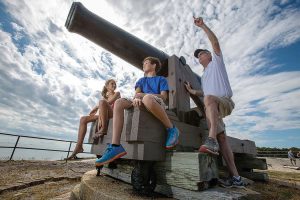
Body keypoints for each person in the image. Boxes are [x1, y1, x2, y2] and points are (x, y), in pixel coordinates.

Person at [184, 16, 243, 188]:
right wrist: (192, 91)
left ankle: (210, 140)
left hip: (223, 101)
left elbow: (215, 41)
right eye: (198, 56)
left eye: (201, 53)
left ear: (209, 55)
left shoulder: (216, 63)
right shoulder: (204, 76)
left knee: (208, 100)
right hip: (213, 106)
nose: (199, 56)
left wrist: (203, 26)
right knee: (222, 138)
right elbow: (206, 92)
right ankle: (236, 178)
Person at [95, 57, 180, 166]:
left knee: (147, 98)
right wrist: (137, 97)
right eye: (143, 63)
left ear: (154, 65)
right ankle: (115, 146)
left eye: (146, 63)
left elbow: (163, 97)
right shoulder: (141, 80)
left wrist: (142, 95)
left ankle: (172, 129)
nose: (143, 65)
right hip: (139, 99)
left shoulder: (161, 79)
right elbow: (136, 94)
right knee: (119, 102)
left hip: (154, 101)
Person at [67, 79, 120, 159]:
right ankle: (79, 146)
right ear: (107, 86)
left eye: (115, 84)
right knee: (83, 119)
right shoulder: (105, 98)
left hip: (113, 114)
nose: (114, 85)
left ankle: (103, 129)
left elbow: (109, 103)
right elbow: (92, 113)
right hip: (104, 114)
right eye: (112, 84)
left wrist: (99, 105)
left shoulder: (117, 93)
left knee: (102, 102)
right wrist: (97, 109)